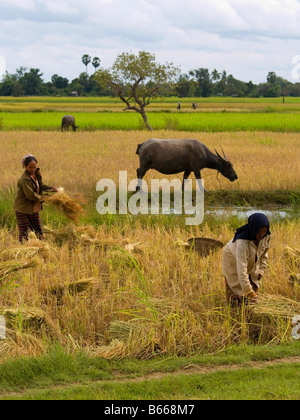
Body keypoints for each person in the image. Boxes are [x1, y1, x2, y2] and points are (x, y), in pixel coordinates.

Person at [222, 213, 271, 306]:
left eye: (264, 231)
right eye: (259, 231)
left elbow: (264, 256)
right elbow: (241, 269)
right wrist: (249, 293)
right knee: (237, 292)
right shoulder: (242, 242)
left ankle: (249, 307)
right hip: (232, 259)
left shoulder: (267, 236)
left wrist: (260, 271)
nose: (261, 234)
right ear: (253, 229)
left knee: (253, 281)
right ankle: (236, 311)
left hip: (250, 259)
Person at [14, 154, 57, 242]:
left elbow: (40, 185)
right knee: (24, 233)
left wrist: (50, 188)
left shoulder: (36, 173)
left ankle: (42, 247)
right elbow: (30, 195)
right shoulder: (25, 179)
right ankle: (23, 250)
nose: (33, 169)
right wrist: (44, 198)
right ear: (25, 167)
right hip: (23, 208)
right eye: (30, 167)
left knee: (38, 230)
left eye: (34, 167)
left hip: (34, 206)